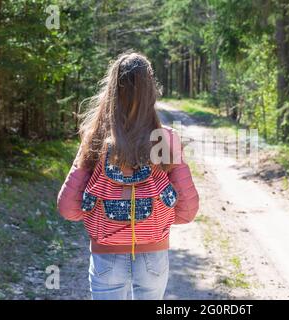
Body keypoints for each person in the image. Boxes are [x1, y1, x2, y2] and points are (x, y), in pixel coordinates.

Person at [56, 51, 199, 300]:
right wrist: (157, 219)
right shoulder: (166, 140)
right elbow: (188, 209)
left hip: (106, 255)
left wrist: (94, 213)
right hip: (153, 255)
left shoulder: (96, 139)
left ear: (111, 91)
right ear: (151, 92)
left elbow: (68, 208)